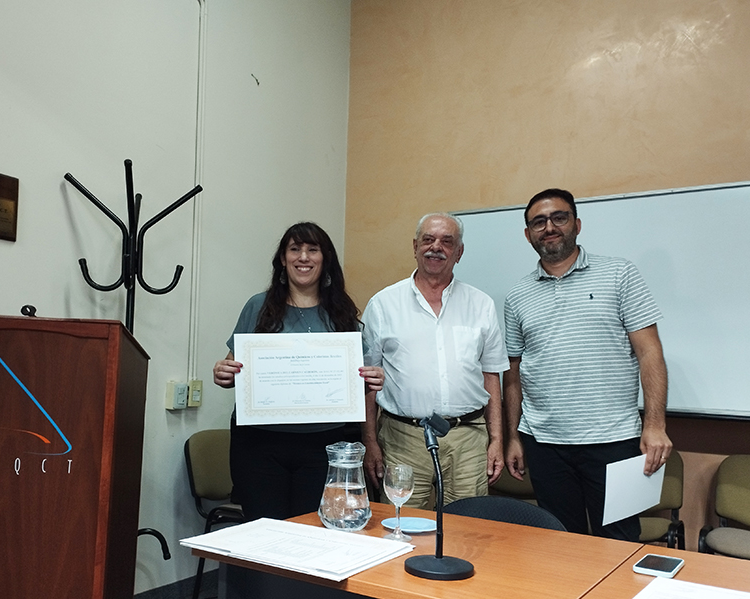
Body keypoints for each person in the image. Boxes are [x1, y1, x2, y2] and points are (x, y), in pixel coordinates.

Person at [502, 188, 673, 540]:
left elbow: (650, 353)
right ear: (528, 234)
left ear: (577, 224)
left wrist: (655, 425)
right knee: (561, 544)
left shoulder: (620, 274)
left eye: (559, 217)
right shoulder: (517, 295)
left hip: (616, 440)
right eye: (539, 222)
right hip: (545, 444)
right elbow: (514, 373)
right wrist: (514, 437)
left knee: (621, 543)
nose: (550, 227)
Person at [213, 222, 384, 521]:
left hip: (322, 445)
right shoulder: (258, 306)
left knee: (311, 529)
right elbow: (233, 366)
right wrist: (223, 372)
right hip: (258, 445)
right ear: (283, 259)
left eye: (312, 250)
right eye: (295, 249)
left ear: (325, 258)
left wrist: (371, 379)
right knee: (264, 530)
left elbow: (356, 377)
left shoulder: (341, 312)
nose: (303, 257)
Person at [362, 213, 509, 509]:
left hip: (468, 438)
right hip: (402, 438)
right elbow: (367, 380)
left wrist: (496, 439)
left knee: (468, 525)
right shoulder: (383, 305)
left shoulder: (481, 304)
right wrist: (370, 442)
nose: (436, 247)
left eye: (447, 241)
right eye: (428, 239)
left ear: (459, 252)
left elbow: (491, 375)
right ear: (415, 246)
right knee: (400, 522)